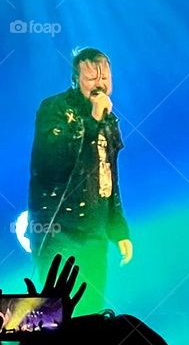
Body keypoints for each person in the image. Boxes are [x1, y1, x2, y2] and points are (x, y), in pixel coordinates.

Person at [28, 48, 133, 312]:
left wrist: (118, 228)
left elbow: (109, 176)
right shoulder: (54, 109)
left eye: (105, 79)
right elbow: (55, 163)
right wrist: (93, 120)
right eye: (91, 78)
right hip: (59, 228)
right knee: (56, 313)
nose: (100, 85)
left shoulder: (109, 119)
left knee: (91, 312)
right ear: (75, 79)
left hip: (95, 231)